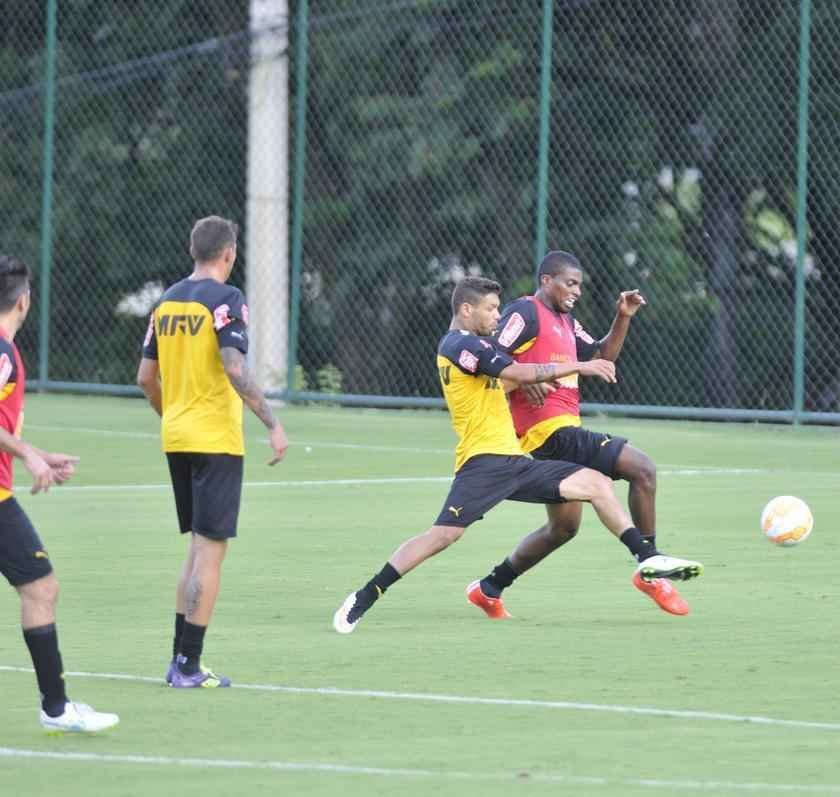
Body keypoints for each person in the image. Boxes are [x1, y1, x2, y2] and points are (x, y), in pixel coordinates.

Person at [332, 276, 700, 632]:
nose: (497, 316)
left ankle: (647, 558)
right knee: (441, 536)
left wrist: (538, 379)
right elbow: (513, 370)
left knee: (597, 484)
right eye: (491, 309)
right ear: (466, 309)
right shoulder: (457, 344)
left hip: (515, 460)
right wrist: (576, 366)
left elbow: (506, 379)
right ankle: (364, 596)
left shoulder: (478, 346)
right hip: (482, 464)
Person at [475, 250, 700, 617]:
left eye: (579, 285)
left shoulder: (566, 321)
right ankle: (651, 568)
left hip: (563, 433)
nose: (576, 290)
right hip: (548, 433)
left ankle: (489, 587)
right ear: (546, 280)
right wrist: (520, 378)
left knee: (563, 529)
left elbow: (601, 355)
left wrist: (622, 317)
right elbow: (490, 356)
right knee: (642, 469)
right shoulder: (525, 311)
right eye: (570, 282)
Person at [136, 216, 289, 688]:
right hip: (216, 440)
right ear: (229, 253)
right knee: (210, 554)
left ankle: (178, 659)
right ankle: (188, 665)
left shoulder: (166, 303)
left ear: (191, 249)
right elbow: (234, 367)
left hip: (177, 436)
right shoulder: (227, 299)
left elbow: (145, 378)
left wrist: (174, 414)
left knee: (196, 550)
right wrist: (272, 422)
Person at [0, 254, 119, 732]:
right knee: (41, 587)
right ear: (25, 301)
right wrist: (28, 454)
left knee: (39, 587)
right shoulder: (4, 353)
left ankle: (57, 707)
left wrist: (36, 454)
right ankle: (56, 709)